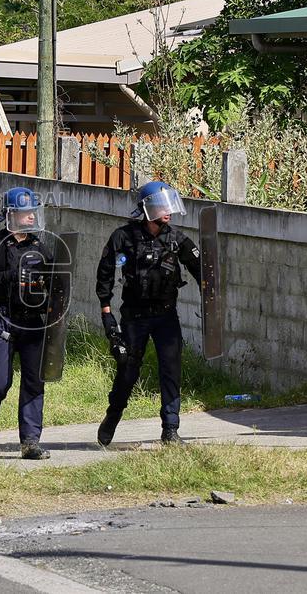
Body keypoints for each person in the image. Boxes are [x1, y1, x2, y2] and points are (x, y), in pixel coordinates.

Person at [95, 181, 201, 446]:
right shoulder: (123, 237)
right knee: (128, 371)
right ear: (147, 208)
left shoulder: (177, 238)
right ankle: (113, 415)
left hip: (166, 315)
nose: (168, 211)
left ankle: (170, 430)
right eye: (161, 205)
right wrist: (107, 315)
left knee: (170, 369)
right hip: (135, 316)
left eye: (169, 205)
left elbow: (202, 269)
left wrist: (211, 295)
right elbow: (105, 275)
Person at [0, 186, 54, 460]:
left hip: (33, 323)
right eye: (26, 213)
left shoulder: (39, 246)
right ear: (12, 214)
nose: (31, 217)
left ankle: (30, 442)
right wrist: (9, 275)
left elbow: (55, 280)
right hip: (3, 322)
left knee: (34, 383)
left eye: (33, 212)